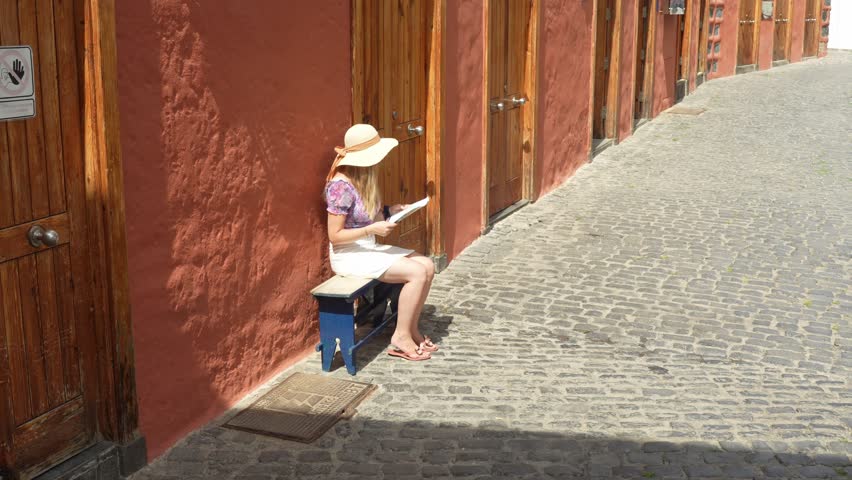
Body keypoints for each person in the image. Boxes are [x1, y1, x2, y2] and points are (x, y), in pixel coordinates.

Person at [324, 124, 437, 362]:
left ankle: (412, 329)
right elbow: (334, 235)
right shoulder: (340, 186)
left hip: (368, 249)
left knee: (427, 265)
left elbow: (368, 215)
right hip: (350, 255)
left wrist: (391, 211)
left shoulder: (364, 178)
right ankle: (401, 337)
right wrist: (372, 229)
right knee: (416, 273)